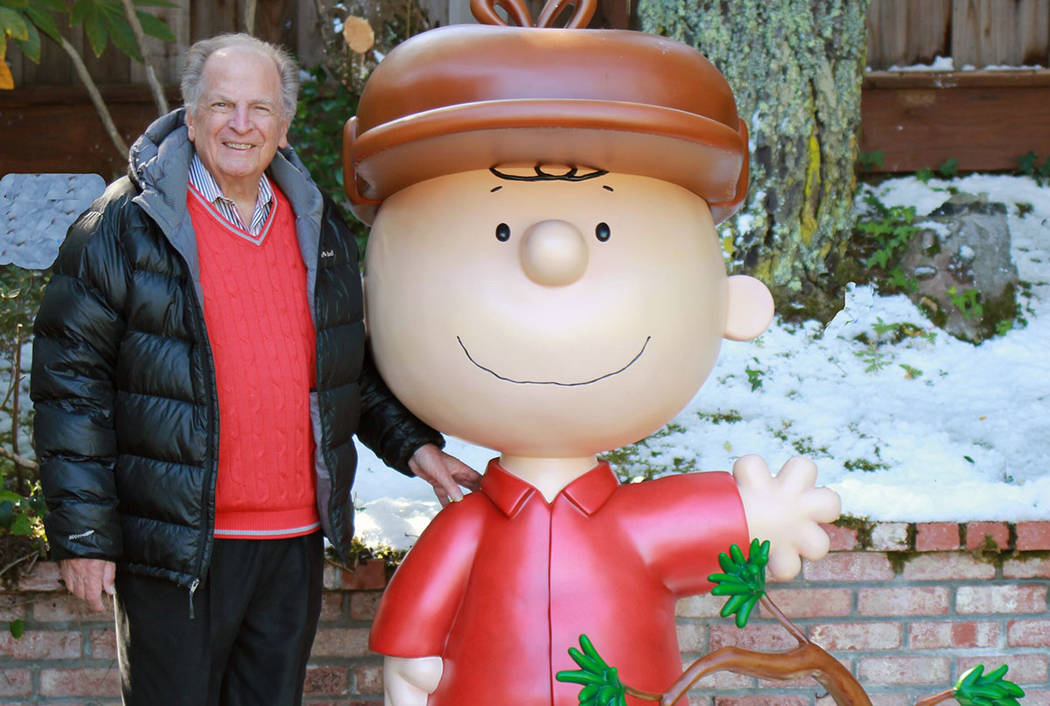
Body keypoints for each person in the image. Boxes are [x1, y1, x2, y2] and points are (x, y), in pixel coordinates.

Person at [338, 2, 840, 704]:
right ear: (370, 306)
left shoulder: (626, 526)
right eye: (503, 228)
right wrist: (411, 669)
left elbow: (695, 530)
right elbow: (414, 630)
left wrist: (762, 519)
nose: (552, 251)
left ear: (730, 304)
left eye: (603, 229)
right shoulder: (471, 526)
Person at [30, 32, 480, 706]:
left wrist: (415, 449)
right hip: (179, 543)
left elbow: (341, 367)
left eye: (260, 108)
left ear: (284, 123)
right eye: (222, 105)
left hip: (290, 541)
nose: (241, 125)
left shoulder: (315, 224)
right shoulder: (123, 225)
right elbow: (70, 383)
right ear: (189, 115)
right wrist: (86, 534)